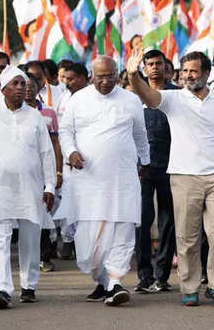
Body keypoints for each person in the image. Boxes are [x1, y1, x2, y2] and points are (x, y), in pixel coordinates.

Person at [127, 49, 214, 308]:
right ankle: (189, 287)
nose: (188, 76)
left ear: (206, 74)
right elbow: (148, 96)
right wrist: (133, 75)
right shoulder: (173, 99)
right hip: (184, 176)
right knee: (187, 236)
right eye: (184, 71)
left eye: (193, 71)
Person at [59, 56, 150, 307]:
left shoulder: (130, 99)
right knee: (89, 248)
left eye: (110, 76)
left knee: (123, 230)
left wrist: (146, 161)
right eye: (100, 76)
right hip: (89, 182)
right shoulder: (78, 99)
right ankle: (102, 279)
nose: (106, 81)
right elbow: (66, 132)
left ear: (117, 74)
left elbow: (140, 135)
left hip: (123, 179)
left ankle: (115, 283)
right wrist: (70, 152)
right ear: (91, 75)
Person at [0, 66, 56, 309]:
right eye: (15, 84)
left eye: (23, 83)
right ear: (4, 88)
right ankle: (3, 289)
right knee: (0, 237)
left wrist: (50, 185)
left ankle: (28, 286)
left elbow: (47, 154)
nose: (20, 88)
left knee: (30, 236)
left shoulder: (35, 117)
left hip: (31, 186)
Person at [133, 49, 179, 294]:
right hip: (141, 169)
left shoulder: (177, 95)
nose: (154, 67)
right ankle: (144, 276)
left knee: (168, 224)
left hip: (171, 166)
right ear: (143, 67)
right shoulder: (133, 96)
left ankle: (162, 276)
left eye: (158, 63)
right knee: (142, 221)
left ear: (165, 66)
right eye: (149, 64)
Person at [23, 79, 63, 273]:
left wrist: (58, 171)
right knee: (28, 215)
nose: (27, 90)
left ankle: (45, 256)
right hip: (24, 172)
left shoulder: (48, 112)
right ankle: (29, 256)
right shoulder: (15, 114)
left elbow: (56, 143)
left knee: (45, 212)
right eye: (24, 86)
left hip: (44, 171)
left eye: (31, 86)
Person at [52, 62, 89, 260]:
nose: (68, 82)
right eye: (66, 79)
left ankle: (84, 243)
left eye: (72, 78)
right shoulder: (64, 98)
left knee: (87, 204)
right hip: (68, 159)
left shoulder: (93, 97)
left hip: (90, 160)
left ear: (84, 78)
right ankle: (67, 240)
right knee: (68, 200)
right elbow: (60, 133)